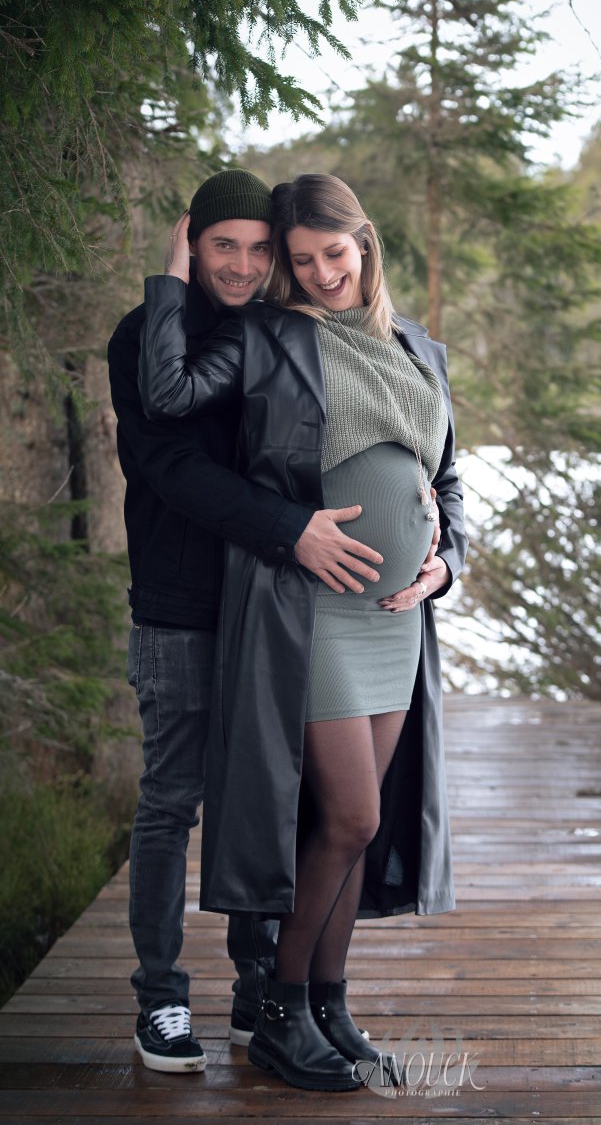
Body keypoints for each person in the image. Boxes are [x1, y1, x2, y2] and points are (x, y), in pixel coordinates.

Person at [137, 173, 467, 1092]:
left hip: (395, 620)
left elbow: (446, 479)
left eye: (335, 253)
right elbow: (166, 394)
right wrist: (171, 277)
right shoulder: (270, 336)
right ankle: (281, 1012)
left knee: (348, 829)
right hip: (311, 608)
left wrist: (446, 562)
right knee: (351, 816)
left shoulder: (414, 347)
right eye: (303, 260)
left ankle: (329, 1004)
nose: (323, 273)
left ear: (365, 244)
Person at [108, 169, 391, 1074]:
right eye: (222, 245)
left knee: (270, 795)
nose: (241, 264)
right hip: (184, 605)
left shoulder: (275, 331)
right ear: (190, 243)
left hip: (274, 605)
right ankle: (160, 997)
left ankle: (256, 986)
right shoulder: (147, 335)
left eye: (259, 248)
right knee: (172, 800)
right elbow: (172, 468)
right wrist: (289, 529)